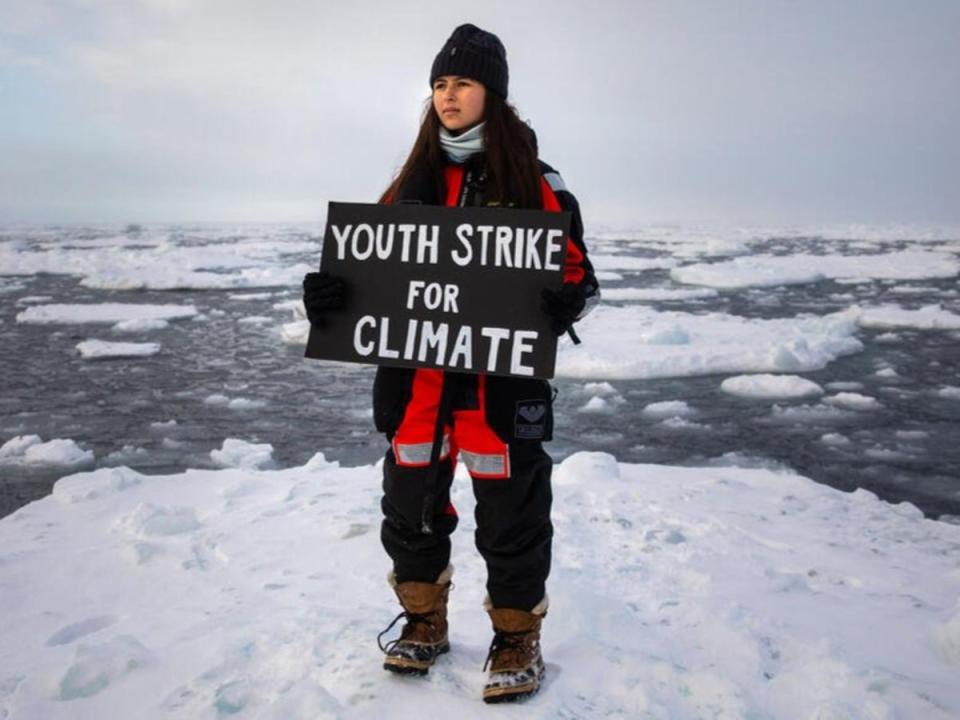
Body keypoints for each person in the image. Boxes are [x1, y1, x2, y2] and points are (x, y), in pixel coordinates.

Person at [302, 23, 599, 704]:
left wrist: (568, 299)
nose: (448, 94)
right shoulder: (408, 182)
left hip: (496, 389)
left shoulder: (537, 180)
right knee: (410, 508)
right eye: (439, 82)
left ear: (491, 91)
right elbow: (362, 271)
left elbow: (579, 274)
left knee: (513, 514)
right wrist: (327, 296)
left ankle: (516, 634)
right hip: (416, 388)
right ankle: (424, 620)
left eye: (461, 82)